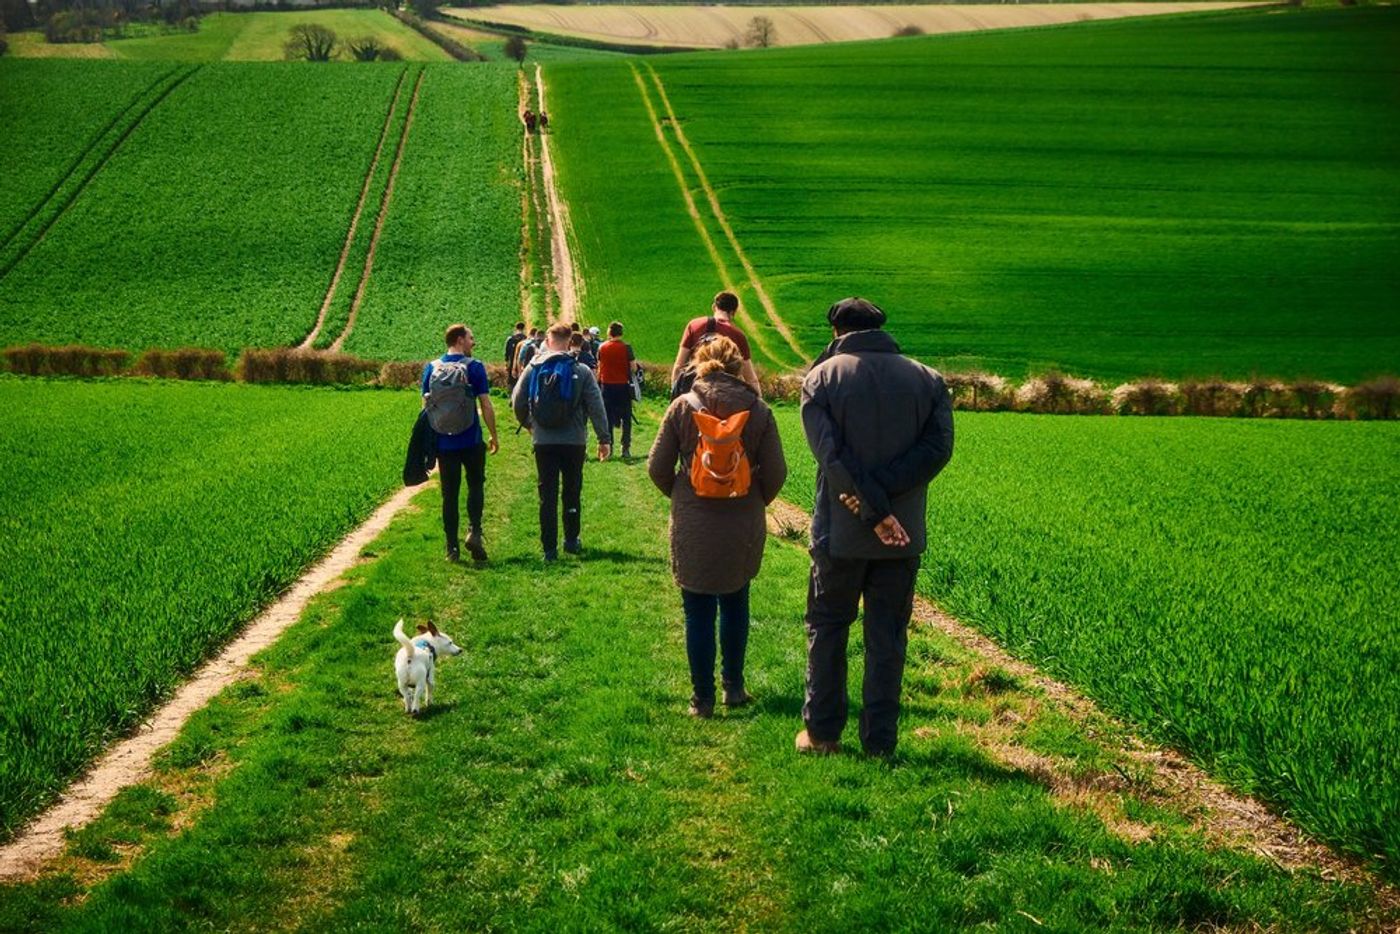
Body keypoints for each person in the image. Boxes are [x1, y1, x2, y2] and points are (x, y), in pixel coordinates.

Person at [796, 298, 954, 757]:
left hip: (839, 532)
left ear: (836, 331)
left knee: (827, 627)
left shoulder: (821, 379)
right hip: (901, 536)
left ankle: (823, 733)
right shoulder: (927, 379)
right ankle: (880, 741)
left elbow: (830, 456)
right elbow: (938, 449)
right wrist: (886, 507)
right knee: (888, 636)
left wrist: (869, 508)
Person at [648, 337, 786, 718]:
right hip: (741, 522)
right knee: (736, 602)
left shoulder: (682, 407)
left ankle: (702, 699)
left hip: (694, 520)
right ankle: (734, 687)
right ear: (739, 367)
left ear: (699, 365)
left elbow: (657, 468)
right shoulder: (759, 411)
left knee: (697, 610)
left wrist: (682, 495)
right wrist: (754, 501)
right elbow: (777, 472)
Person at [511, 323, 610, 561]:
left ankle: (549, 549)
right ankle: (571, 540)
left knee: (547, 494)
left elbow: (517, 401)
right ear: (570, 340)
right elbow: (596, 407)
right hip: (574, 441)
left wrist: (530, 425)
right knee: (572, 490)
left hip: (543, 440)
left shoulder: (534, 367)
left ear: (548, 338)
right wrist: (603, 438)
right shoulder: (582, 370)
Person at [423, 323, 499, 563]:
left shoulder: (431, 368)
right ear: (459, 340)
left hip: (445, 443)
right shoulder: (474, 367)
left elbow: (426, 409)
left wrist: (430, 441)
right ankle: (474, 532)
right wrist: (494, 434)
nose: (473, 342)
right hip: (471, 439)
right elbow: (486, 404)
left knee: (449, 494)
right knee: (476, 485)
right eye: (470, 338)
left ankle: (451, 547)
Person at [671, 290, 760, 395]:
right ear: (733, 312)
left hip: (694, 392)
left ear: (714, 307)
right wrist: (759, 405)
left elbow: (678, 366)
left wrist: (675, 394)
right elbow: (751, 379)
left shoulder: (694, 325)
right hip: (725, 396)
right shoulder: (738, 336)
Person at [597, 321, 637, 458]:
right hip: (622, 386)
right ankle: (625, 447)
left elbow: (599, 367)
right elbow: (633, 368)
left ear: (609, 332)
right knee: (626, 418)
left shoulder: (602, 347)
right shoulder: (627, 348)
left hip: (606, 386)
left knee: (607, 417)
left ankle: (609, 446)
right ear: (621, 332)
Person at [504, 321, 527, 388]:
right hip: (522, 363)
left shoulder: (510, 339)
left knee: (511, 381)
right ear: (523, 329)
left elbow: (507, 352)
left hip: (511, 362)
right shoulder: (526, 339)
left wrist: (506, 362)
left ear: (516, 328)